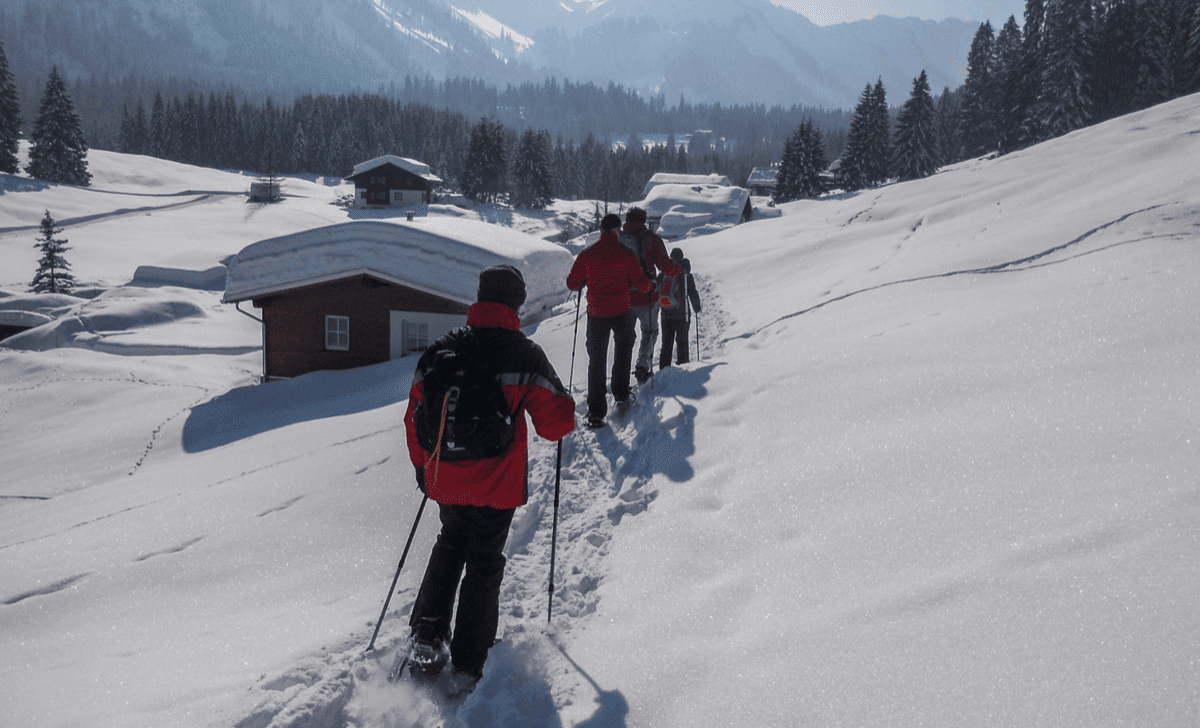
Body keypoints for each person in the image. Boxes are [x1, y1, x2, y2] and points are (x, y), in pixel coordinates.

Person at [403, 264, 575, 683]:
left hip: (447, 478)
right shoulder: (525, 353)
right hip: (497, 484)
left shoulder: (441, 351)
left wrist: (423, 470)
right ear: (516, 302)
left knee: (449, 546)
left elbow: (413, 416)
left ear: (479, 297)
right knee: (483, 562)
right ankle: (469, 658)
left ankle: (427, 635)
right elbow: (555, 425)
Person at [566, 213, 654, 428]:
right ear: (616, 231)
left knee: (596, 360)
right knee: (623, 352)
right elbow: (641, 284)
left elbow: (572, 283)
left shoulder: (588, 254)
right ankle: (621, 393)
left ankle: (596, 412)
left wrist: (585, 279)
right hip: (622, 311)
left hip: (597, 314)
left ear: (601, 230)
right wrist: (651, 285)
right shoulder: (626, 254)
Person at [621, 207, 682, 384]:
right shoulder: (651, 239)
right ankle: (642, 367)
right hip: (646, 296)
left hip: (624, 298)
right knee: (650, 332)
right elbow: (664, 264)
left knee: (625, 336)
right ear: (644, 221)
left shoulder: (619, 240)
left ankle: (621, 371)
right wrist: (678, 269)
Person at [659, 247, 703, 369]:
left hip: (666, 314)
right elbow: (692, 292)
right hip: (682, 314)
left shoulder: (664, 272)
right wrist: (697, 307)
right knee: (682, 343)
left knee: (666, 344)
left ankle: (663, 371)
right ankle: (683, 370)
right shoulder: (685, 274)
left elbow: (657, 290)